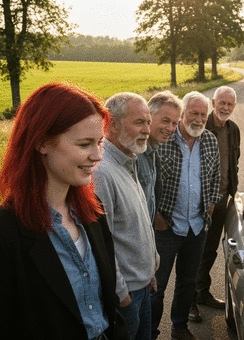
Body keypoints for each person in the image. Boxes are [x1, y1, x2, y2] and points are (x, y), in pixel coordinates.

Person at [0, 83, 129, 340]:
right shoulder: (7, 232)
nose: (97, 156)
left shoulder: (93, 213)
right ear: (42, 143)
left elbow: (107, 302)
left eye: (100, 143)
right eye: (84, 144)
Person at [151, 91, 221, 340]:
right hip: (166, 226)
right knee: (156, 286)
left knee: (187, 282)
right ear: (182, 114)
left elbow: (216, 177)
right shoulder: (164, 140)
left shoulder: (210, 140)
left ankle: (179, 327)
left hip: (197, 226)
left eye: (203, 114)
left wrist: (211, 204)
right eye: (194, 113)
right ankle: (150, 331)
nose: (199, 119)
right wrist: (156, 215)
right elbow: (149, 182)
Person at [93, 92, 159, 340]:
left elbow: (138, 221)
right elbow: (103, 241)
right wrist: (121, 293)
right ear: (112, 123)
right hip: (126, 296)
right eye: (139, 122)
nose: (147, 130)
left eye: (148, 122)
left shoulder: (128, 159)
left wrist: (150, 267)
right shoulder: (102, 172)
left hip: (141, 286)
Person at [189, 86, 241, 323]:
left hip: (221, 199)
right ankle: (188, 303)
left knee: (209, 250)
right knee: (193, 250)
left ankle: (202, 293)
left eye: (230, 104)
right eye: (222, 103)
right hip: (199, 200)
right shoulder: (201, 127)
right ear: (213, 102)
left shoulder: (233, 130)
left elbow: (234, 163)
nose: (226, 108)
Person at [137, 91, 183, 222]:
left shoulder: (154, 150)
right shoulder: (135, 154)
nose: (170, 128)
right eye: (165, 121)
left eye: (175, 123)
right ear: (149, 116)